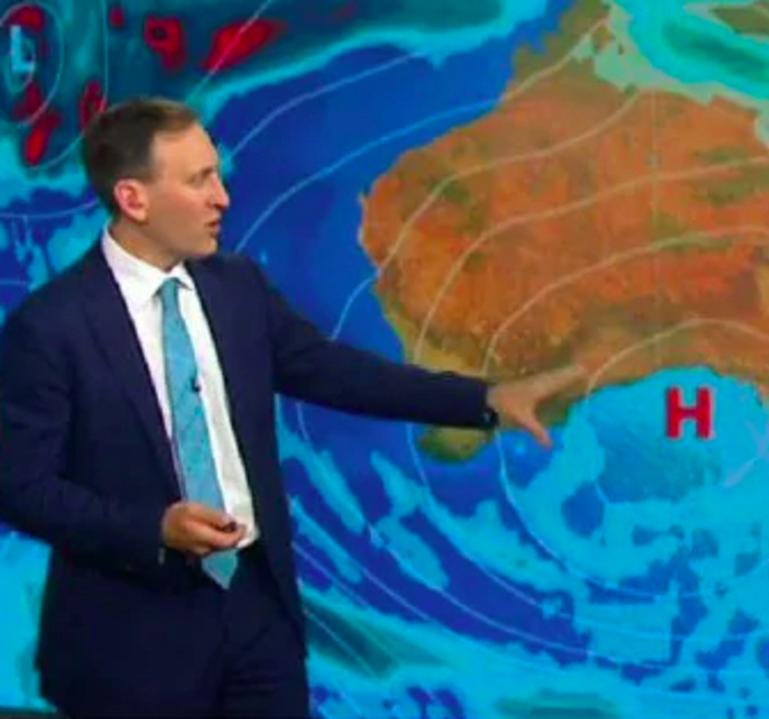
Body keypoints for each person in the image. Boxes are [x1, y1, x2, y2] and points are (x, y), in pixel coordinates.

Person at [0, 97, 583, 717]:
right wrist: (154, 529)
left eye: (217, 175)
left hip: (257, 618)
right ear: (134, 199)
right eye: (199, 181)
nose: (222, 198)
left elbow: (337, 373)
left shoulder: (237, 288)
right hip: (130, 639)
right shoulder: (52, 327)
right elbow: (20, 486)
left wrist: (484, 398)